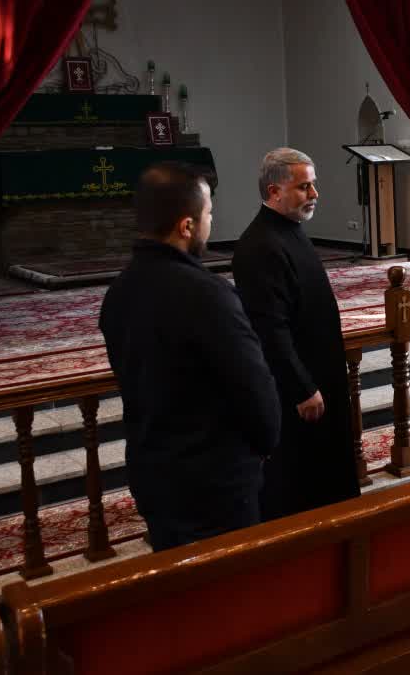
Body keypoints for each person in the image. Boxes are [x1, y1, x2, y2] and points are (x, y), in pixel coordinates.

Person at [100, 163, 282, 551]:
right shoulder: (207, 294)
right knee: (229, 590)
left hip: (153, 469)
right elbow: (252, 385)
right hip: (215, 478)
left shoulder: (119, 292)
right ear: (186, 226)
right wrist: (265, 443)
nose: (210, 223)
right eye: (209, 214)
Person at [232, 148, 361, 520]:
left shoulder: (290, 232)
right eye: (305, 187)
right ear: (274, 192)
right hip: (300, 390)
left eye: (314, 185)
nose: (314, 195)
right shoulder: (259, 246)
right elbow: (270, 327)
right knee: (300, 485)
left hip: (320, 374)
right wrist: (301, 387)